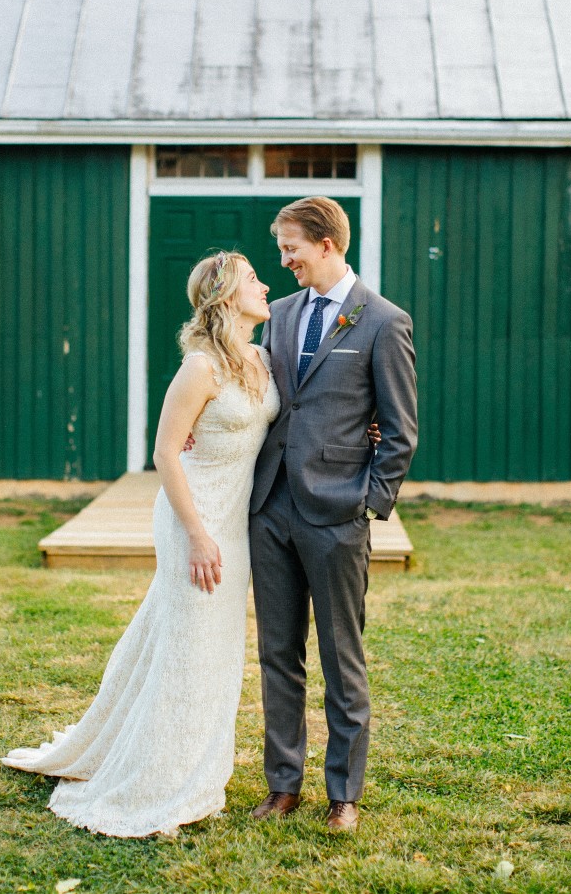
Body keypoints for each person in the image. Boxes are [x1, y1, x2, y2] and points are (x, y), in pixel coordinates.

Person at [2, 252, 278, 837]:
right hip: (193, 520)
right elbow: (164, 454)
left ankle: (193, 761)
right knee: (189, 644)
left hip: (235, 521)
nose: (266, 284)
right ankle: (161, 777)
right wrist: (199, 535)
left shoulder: (263, 358)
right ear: (226, 294)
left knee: (214, 647)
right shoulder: (200, 368)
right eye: (254, 278)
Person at [248, 196, 418, 833]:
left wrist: (369, 503)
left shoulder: (383, 321)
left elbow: (400, 431)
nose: (283, 260)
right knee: (276, 653)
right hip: (270, 508)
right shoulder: (281, 315)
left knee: (342, 657)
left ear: (325, 244)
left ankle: (343, 794)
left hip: (338, 513)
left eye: (290, 247)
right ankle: (282, 784)